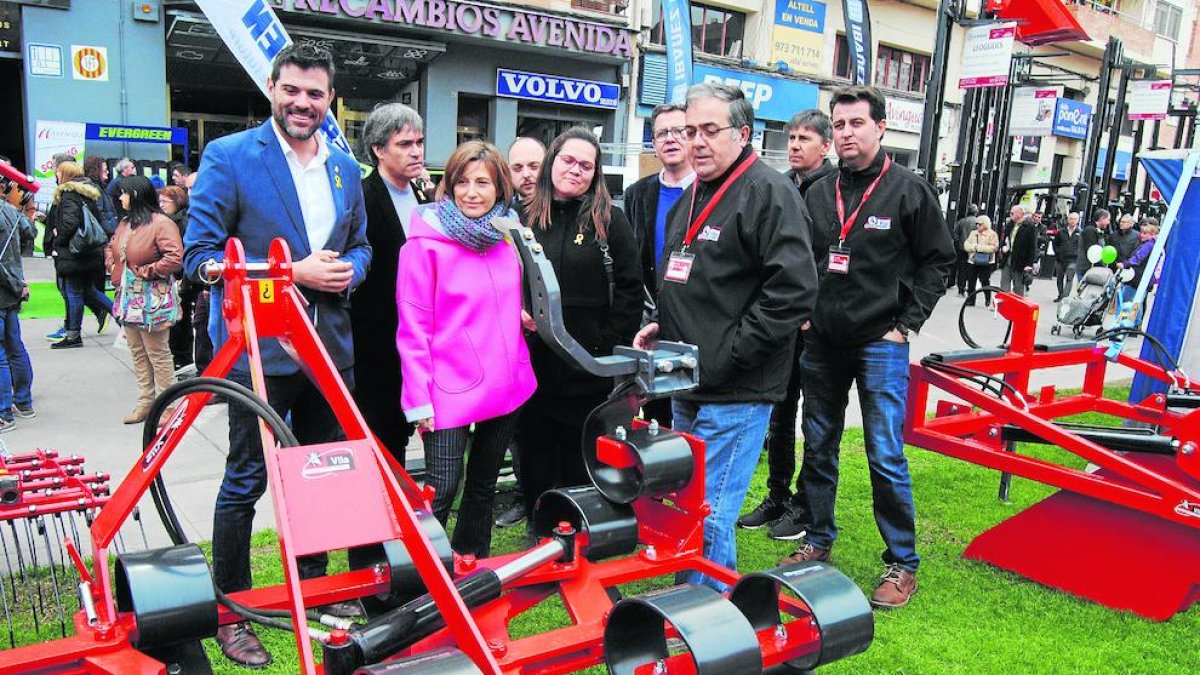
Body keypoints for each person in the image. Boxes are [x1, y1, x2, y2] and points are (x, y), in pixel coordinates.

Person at [183, 44, 371, 668]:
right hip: (258, 356)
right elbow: (201, 260)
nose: (303, 103)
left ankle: (316, 590)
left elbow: (361, 245)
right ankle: (235, 611)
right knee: (245, 482)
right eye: (292, 90)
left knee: (321, 474)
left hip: (329, 352)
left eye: (315, 94)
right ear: (272, 86)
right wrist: (295, 274)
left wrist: (350, 273)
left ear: (330, 100)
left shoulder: (345, 169)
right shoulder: (230, 156)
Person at [633, 83, 817, 591]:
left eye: (709, 131)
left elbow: (794, 292)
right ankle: (707, 600)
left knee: (709, 511)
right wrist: (664, 326)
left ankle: (707, 617)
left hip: (737, 388)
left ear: (743, 133)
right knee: (696, 506)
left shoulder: (767, 192)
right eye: (690, 131)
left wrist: (730, 353)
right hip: (691, 382)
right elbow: (690, 278)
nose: (696, 142)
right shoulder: (695, 193)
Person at [785, 85, 954, 610]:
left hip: (881, 341)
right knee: (818, 444)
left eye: (857, 123)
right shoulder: (818, 192)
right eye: (839, 125)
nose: (847, 133)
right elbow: (804, 258)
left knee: (884, 453)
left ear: (881, 128)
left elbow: (939, 261)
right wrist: (807, 315)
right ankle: (817, 540)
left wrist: (906, 324)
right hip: (824, 341)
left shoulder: (908, 190)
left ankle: (902, 563)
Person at [397, 140, 535, 556]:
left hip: (506, 383)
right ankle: (422, 584)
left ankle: (471, 569)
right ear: (449, 185)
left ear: (500, 189)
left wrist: (521, 315)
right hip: (447, 389)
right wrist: (417, 398)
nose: (471, 192)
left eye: (483, 182)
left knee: (482, 486)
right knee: (439, 490)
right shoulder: (423, 245)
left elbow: (506, 297)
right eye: (462, 182)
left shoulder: (507, 235)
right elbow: (412, 326)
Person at [518, 127, 642, 521]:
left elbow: (629, 288)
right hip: (533, 365)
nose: (576, 170)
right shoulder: (523, 218)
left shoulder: (610, 220)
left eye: (586, 165)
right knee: (535, 454)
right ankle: (541, 527)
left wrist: (607, 346)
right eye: (568, 160)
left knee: (579, 457)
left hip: (587, 368)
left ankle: (580, 531)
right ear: (552, 160)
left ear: (596, 173)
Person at [738, 108, 834, 541]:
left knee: (815, 423)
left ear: (824, 147)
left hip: (816, 328)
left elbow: (827, 260)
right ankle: (777, 494)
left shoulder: (833, 190)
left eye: (805, 139)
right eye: (792, 138)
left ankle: (805, 505)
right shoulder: (778, 186)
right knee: (779, 412)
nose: (795, 145)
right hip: (779, 326)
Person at [349, 103, 429, 465]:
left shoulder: (424, 198)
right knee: (378, 437)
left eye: (420, 141)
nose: (416, 151)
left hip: (421, 339)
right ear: (379, 149)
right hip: (376, 343)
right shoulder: (361, 199)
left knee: (406, 428)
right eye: (405, 143)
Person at [623, 103, 695, 434]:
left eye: (679, 131)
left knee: (690, 413)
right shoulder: (638, 194)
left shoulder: (706, 190)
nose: (670, 139)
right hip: (651, 318)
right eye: (662, 133)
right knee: (656, 413)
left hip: (695, 318)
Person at [494, 135, 548, 530]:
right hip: (508, 340)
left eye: (534, 166)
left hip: (552, 338)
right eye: (518, 168)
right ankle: (522, 498)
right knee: (518, 429)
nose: (527, 175)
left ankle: (546, 504)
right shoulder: (499, 217)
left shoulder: (557, 210)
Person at [107, 176, 183, 424]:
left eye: (124, 193)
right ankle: (146, 403)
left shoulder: (161, 223)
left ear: (137, 195)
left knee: (158, 353)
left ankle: (170, 406)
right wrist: (112, 263)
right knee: (138, 352)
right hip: (129, 299)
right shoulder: (127, 223)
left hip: (153, 300)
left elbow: (174, 258)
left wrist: (147, 271)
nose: (120, 198)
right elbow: (112, 247)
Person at [45, 161, 112, 349]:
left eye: (58, 172)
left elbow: (70, 223)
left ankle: (73, 334)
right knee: (90, 291)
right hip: (88, 252)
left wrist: (58, 240)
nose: (55, 175)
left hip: (73, 253)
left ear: (64, 174)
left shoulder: (68, 195)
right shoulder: (86, 193)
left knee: (73, 292)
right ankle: (124, 320)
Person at [0, 169, 35, 430]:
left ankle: (4, 413)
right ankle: (23, 401)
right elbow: (30, 233)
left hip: (6, 289)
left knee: (3, 354)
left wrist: (14, 283)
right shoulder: (11, 211)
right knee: (14, 347)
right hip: (12, 290)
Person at [159, 186, 195, 371]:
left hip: (182, 277)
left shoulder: (182, 221)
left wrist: (181, 277)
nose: (162, 205)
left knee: (181, 319)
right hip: (177, 276)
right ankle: (181, 356)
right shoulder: (171, 220)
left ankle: (182, 357)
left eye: (165, 201)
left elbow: (183, 251)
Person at [997, 205, 1036, 297]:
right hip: (1008, 257)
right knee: (1004, 282)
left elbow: (1032, 247)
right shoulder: (1010, 224)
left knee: (1018, 286)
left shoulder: (1029, 226)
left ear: (1019, 214)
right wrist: (1003, 246)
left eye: (1012, 213)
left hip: (1020, 260)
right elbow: (1004, 238)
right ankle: (1005, 303)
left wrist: (1029, 265)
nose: (1010, 214)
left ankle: (1017, 305)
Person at [963, 215, 1000, 308]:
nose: (977, 226)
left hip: (986, 262)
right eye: (976, 224)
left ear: (985, 224)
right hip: (972, 260)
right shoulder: (973, 233)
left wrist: (979, 248)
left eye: (979, 224)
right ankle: (971, 300)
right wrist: (973, 247)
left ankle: (987, 299)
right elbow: (966, 245)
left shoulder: (992, 234)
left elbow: (994, 247)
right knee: (971, 280)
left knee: (984, 281)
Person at [83, 156, 118, 235]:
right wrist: (109, 230)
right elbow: (99, 213)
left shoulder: (100, 186)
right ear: (96, 171)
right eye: (105, 170)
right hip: (104, 232)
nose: (108, 172)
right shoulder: (95, 188)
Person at [951, 205, 979, 297]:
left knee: (962, 269)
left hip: (962, 248)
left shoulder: (961, 221)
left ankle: (961, 290)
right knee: (971, 270)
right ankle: (970, 290)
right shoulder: (978, 223)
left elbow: (955, 234)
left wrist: (959, 244)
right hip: (973, 249)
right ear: (976, 213)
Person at [1053, 211, 1081, 301]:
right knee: (1059, 279)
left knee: (1069, 278)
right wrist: (1057, 252)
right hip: (1060, 259)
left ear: (1078, 221)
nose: (1072, 221)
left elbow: (1082, 246)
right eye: (1071, 219)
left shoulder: (1080, 233)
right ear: (1068, 220)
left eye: (1075, 219)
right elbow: (1055, 243)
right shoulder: (1061, 231)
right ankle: (1060, 295)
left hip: (1073, 260)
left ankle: (1065, 297)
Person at [507, 137, 545, 202]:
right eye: (517, 168)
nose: (526, 174)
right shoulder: (503, 211)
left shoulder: (564, 209)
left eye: (534, 167)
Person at [1077, 208, 1110, 279]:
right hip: (1086, 269)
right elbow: (1091, 250)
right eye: (1108, 219)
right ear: (1102, 219)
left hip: (1092, 269)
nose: (1108, 222)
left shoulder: (1099, 232)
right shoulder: (1090, 231)